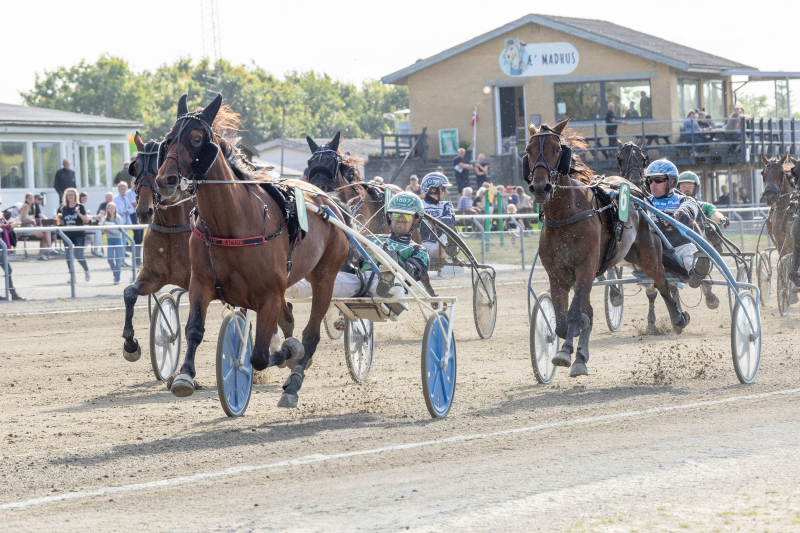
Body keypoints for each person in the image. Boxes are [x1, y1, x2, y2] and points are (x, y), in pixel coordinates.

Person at [286, 192, 429, 300]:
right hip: (359, 281)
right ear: (389, 217)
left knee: (395, 280)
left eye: (407, 217)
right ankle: (278, 286)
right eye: (396, 215)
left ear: (416, 220)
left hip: (395, 289)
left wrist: (395, 263)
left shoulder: (419, 250)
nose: (400, 220)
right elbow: (355, 263)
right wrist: (351, 259)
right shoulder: (370, 240)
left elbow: (414, 272)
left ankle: (387, 277)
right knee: (315, 283)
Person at [644, 160, 717, 309]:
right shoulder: (644, 202)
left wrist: (676, 216)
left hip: (678, 246)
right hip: (652, 250)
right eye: (650, 180)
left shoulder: (683, 199)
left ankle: (695, 273)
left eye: (658, 180)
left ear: (671, 181)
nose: (653, 184)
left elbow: (688, 207)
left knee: (688, 253)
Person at [419, 173, 456, 267]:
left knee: (449, 231)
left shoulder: (446, 205)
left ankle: (451, 249)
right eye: (443, 189)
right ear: (432, 189)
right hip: (418, 246)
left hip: (438, 246)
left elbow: (450, 219)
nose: (446, 192)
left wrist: (433, 221)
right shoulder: (418, 204)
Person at [58, 187, 90, 281]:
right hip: (67, 234)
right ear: (66, 196)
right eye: (68, 195)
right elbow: (61, 221)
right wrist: (59, 220)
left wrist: (79, 214)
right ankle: (72, 276)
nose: (70, 196)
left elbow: (86, 220)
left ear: (75, 196)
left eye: (72, 195)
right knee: (68, 256)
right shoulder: (63, 208)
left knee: (79, 255)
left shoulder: (80, 207)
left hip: (79, 234)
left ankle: (86, 271)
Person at [0, 198, 24, 300]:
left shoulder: (1, 213)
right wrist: (10, 225)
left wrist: (12, 224)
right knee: (8, 269)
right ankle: (13, 293)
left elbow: (4, 225)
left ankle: (13, 293)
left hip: (2, 247)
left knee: (8, 269)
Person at [19, 192, 53, 260]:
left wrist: (33, 222)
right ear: (26, 199)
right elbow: (23, 219)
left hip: (31, 227)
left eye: (32, 198)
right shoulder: (25, 206)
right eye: (29, 198)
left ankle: (45, 251)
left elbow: (33, 219)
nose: (31, 199)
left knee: (47, 230)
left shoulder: (33, 207)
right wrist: (31, 221)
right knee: (45, 235)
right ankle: (47, 249)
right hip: (25, 227)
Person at [113, 182, 139, 263]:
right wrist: (127, 210)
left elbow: (132, 209)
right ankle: (120, 259)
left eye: (124, 189)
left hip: (127, 223)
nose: (123, 190)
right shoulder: (116, 199)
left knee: (124, 241)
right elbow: (120, 211)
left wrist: (127, 210)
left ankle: (122, 260)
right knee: (120, 241)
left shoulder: (126, 199)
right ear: (119, 189)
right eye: (121, 189)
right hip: (120, 222)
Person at [100, 202, 124, 284]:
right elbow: (102, 230)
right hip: (110, 240)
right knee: (110, 259)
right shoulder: (105, 218)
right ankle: (115, 273)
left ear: (115, 209)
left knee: (118, 260)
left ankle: (117, 278)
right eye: (109, 208)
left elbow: (118, 231)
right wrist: (105, 228)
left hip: (117, 240)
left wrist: (109, 230)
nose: (111, 209)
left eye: (112, 208)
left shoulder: (118, 218)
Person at [79, 191, 103, 257]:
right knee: (98, 231)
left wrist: (92, 217)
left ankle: (80, 250)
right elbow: (84, 216)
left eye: (86, 198)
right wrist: (93, 217)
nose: (85, 200)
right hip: (80, 226)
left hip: (82, 225)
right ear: (80, 198)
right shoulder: (79, 206)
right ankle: (95, 249)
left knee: (90, 236)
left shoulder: (81, 206)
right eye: (84, 198)